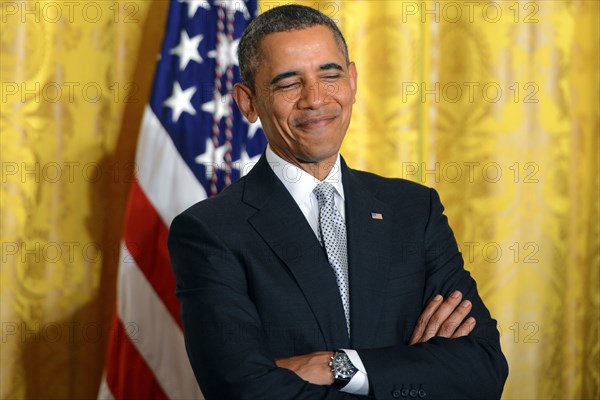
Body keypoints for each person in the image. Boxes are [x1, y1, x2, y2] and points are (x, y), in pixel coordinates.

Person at [168, 5, 508, 399]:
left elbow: (482, 367)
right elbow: (243, 390)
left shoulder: (415, 210)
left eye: (330, 75)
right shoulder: (211, 231)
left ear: (353, 80)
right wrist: (408, 371)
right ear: (247, 102)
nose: (315, 99)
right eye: (287, 83)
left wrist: (338, 366)